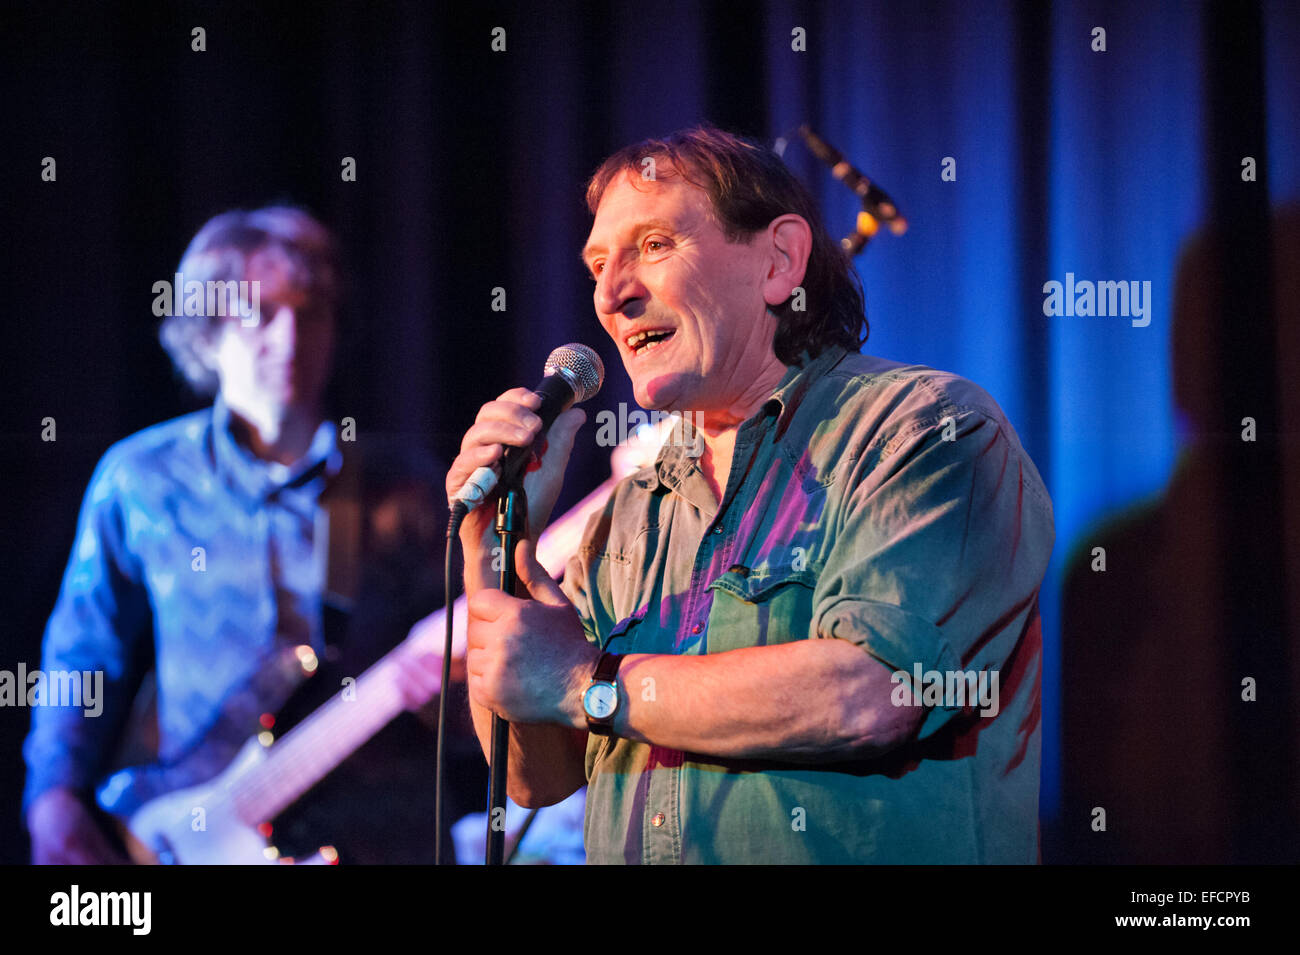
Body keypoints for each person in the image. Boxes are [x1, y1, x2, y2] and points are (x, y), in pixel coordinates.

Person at [448, 126, 1055, 864]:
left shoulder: (924, 430)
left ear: (780, 261)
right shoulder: (631, 512)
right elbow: (536, 777)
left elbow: (872, 694)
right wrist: (495, 547)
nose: (612, 293)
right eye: (598, 265)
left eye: (654, 244)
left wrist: (588, 679)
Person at [23, 205, 461, 864]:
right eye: (259, 314)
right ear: (206, 332)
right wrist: (52, 794)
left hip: (380, 838)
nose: (289, 341)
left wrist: (454, 689)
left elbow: (466, 696)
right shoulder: (141, 478)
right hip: (200, 835)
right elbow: (82, 654)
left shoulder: (405, 485)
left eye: (309, 312)